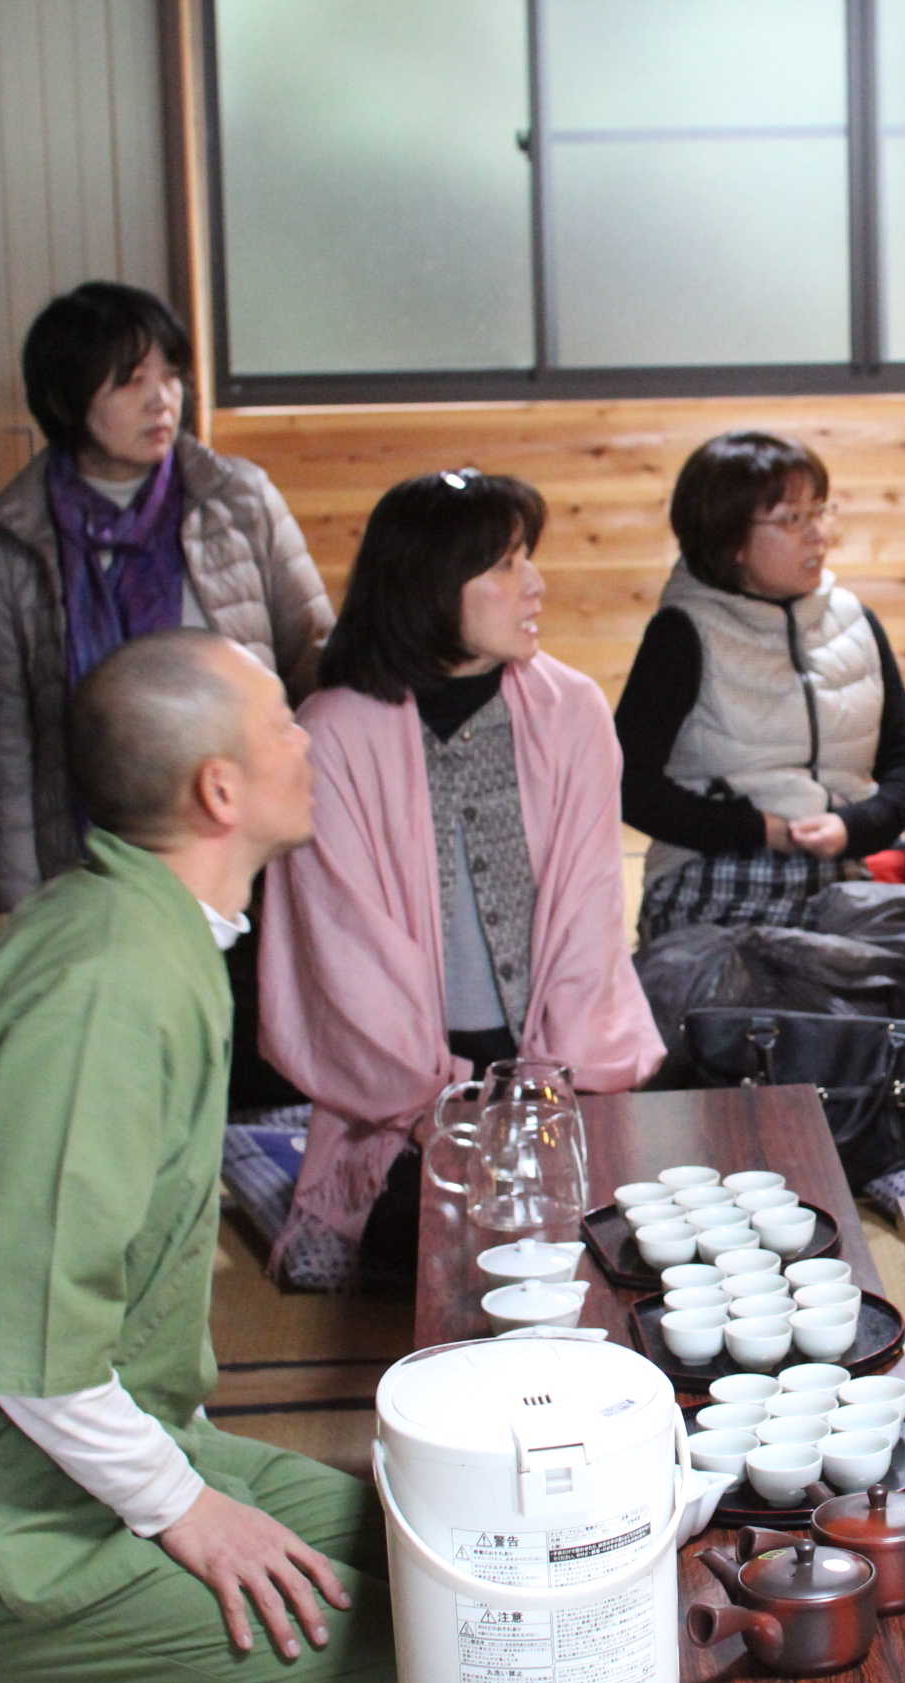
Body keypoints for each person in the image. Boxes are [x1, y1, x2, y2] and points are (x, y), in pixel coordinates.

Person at [0, 630, 397, 1683]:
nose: (308, 740)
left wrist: (184, 1479)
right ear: (219, 789)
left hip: (104, 1446)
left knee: (443, 1553)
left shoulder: (156, 927)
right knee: (425, 1667)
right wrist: (184, 1508)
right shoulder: (103, 986)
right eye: (283, 722)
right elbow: (26, 1327)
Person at [259, 471, 663, 1288]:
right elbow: (342, 957)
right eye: (507, 565)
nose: (535, 583)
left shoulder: (574, 710)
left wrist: (545, 1095)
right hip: (401, 1090)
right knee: (437, 1249)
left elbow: (590, 922)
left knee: (607, 1236)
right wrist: (433, 1109)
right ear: (433, 585)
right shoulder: (333, 732)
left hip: (560, 1066)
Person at [0, 281, 333, 910]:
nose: (161, 400)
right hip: (94, 865)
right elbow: (14, 735)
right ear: (64, 397)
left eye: (170, 375)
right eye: (129, 381)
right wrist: (21, 902)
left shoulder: (236, 499)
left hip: (246, 851)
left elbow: (315, 666)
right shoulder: (20, 534)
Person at [614, 430, 905, 940]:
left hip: (838, 872)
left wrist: (854, 827)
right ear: (730, 541)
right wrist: (758, 829)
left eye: (820, 512)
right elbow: (627, 784)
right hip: (712, 871)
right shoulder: (683, 633)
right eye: (792, 519)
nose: (818, 536)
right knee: (749, 978)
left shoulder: (854, 622)